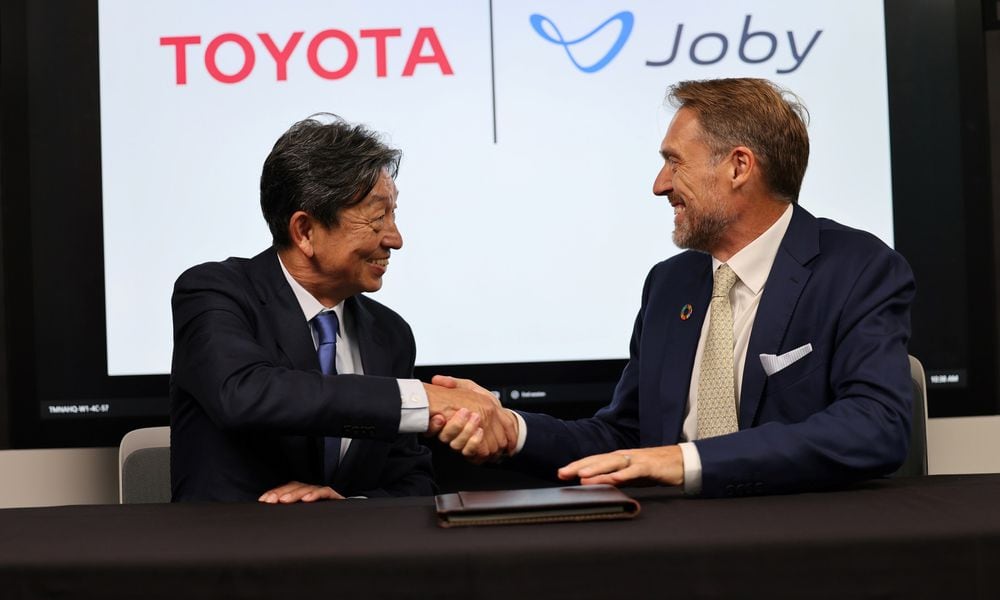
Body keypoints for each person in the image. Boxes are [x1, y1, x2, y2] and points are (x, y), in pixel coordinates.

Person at [436, 78, 915, 497]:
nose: (659, 185)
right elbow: (625, 438)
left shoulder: (857, 269)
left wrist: (689, 462)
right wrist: (512, 430)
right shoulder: (669, 284)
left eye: (674, 162)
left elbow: (875, 426)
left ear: (738, 166)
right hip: (671, 544)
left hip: (794, 542)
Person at [170, 114, 513, 503]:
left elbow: (413, 483)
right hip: (227, 554)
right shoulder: (215, 292)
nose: (395, 239)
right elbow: (244, 394)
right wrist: (421, 398)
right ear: (305, 231)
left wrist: (349, 508)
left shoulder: (390, 334)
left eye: (394, 213)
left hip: (348, 557)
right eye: (376, 216)